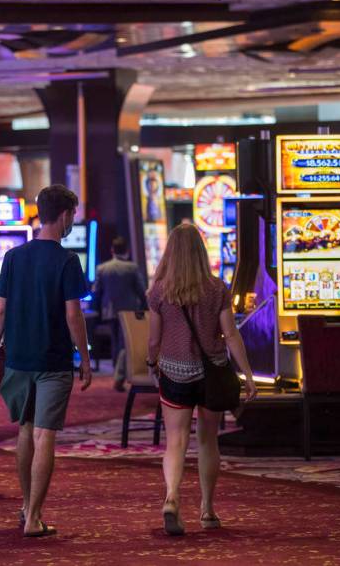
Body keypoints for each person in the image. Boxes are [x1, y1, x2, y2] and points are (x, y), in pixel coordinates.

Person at [0, 184, 92, 538]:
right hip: (53, 360)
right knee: (45, 436)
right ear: (63, 216)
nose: (72, 220)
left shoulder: (14, 257)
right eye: (72, 214)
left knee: (25, 432)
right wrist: (85, 358)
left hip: (17, 358)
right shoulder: (67, 260)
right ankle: (33, 518)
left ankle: (28, 506)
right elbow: (74, 315)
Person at [146, 223, 257, 536]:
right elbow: (231, 334)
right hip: (212, 373)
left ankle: (171, 498)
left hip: (174, 371)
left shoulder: (159, 291)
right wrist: (247, 374)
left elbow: (154, 340)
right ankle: (207, 510)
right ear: (200, 253)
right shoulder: (217, 288)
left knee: (176, 440)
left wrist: (152, 363)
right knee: (208, 440)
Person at [93, 236, 148, 391]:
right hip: (130, 312)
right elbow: (141, 291)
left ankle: (116, 372)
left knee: (116, 343)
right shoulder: (132, 268)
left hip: (109, 311)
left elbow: (96, 292)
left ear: (112, 250)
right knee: (126, 344)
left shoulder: (102, 268)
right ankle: (120, 374)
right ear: (127, 250)